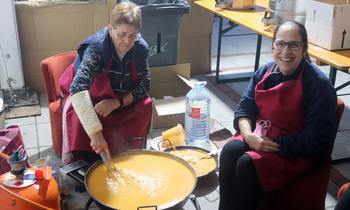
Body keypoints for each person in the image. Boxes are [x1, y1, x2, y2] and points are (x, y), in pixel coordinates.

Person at [218, 20, 337, 210]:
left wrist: (269, 145)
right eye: (280, 43)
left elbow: (318, 139)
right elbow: (244, 110)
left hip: (296, 149)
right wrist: (248, 135)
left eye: (294, 45)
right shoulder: (264, 72)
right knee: (230, 151)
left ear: (304, 49)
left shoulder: (318, 84)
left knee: (248, 164)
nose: (286, 51)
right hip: (261, 134)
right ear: (273, 46)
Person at [59, 1, 152, 164]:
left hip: (118, 95)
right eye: (121, 34)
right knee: (77, 115)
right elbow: (78, 89)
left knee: (146, 104)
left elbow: (144, 85)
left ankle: (130, 153)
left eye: (132, 35)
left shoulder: (141, 49)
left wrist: (117, 103)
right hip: (89, 95)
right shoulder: (96, 49)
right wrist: (96, 135)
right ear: (110, 29)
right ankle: (85, 160)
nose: (127, 42)